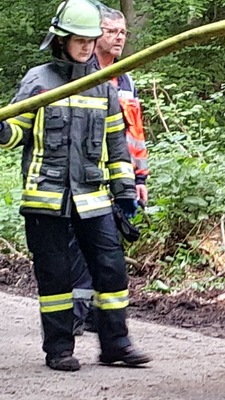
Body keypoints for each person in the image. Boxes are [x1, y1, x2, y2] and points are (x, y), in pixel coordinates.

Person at [0, 0, 150, 371]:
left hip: (93, 197)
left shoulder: (102, 86)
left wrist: (126, 191)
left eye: (90, 40)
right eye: (78, 40)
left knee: (112, 271)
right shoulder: (38, 81)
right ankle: (59, 350)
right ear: (60, 39)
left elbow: (117, 145)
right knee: (54, 276)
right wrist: (4, 130)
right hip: (46, 197)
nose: (85, 47)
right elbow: (17, 131)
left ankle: (116, 344)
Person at [72, 5, 150, 336]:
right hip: (85, 181)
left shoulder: (125, 79)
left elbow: (134, 135)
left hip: (118, 180)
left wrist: (139, 178)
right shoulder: (80, 77)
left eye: (123, 33)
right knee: (77, 253)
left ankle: (99, 320)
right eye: (111, 32)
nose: (119, 38)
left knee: (108, 254)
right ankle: (73, 318)